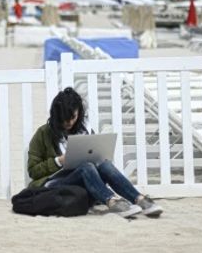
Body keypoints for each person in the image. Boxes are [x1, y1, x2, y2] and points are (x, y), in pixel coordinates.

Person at [27, 87, 163, 218]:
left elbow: (96, 158)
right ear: (56, 115)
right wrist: (59, 161)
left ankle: (140, 199)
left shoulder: (84, 131)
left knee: (104, 165)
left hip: (83, 181)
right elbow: (33, 171)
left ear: (79, 112)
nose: (69, 122)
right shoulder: (43, 134)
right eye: (64, 118)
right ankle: (112, 202)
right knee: (86, 167)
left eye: (73, 117)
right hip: (53, 184)